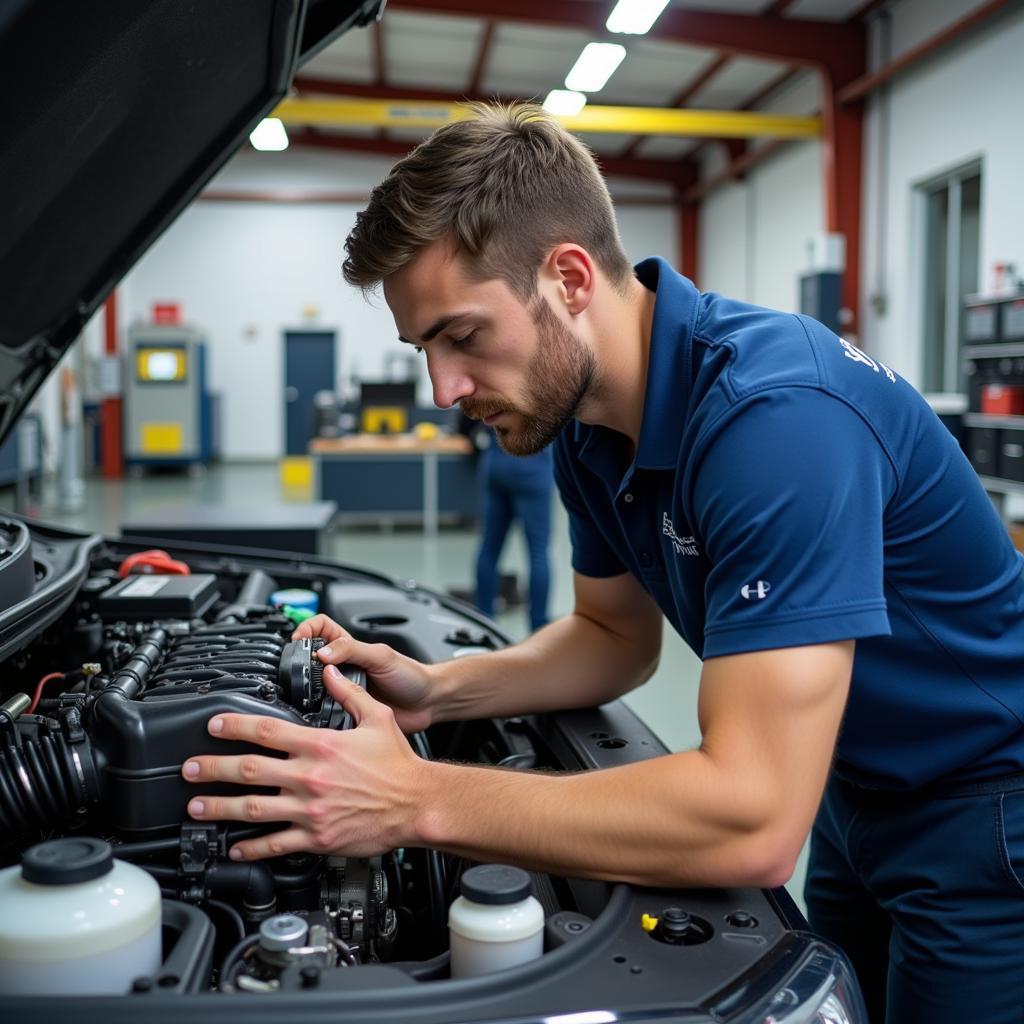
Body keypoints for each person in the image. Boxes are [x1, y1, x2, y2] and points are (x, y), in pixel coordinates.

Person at [182, 104, 1024, 1022]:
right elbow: (613, 638)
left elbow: (749, 815)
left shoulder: (778, 423)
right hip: (852, 789)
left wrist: (416, 797)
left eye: (462, 336)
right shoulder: (586, 430)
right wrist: (440, 691)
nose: (443, 389)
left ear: (569, 278)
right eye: (423, 349)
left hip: (983, 809)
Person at [473, 426, 553, 632]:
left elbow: (468, 422)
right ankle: (539, 627)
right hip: (533, 467)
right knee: (538, 552)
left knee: (489, 547)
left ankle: (484, 621)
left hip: (496, 464)